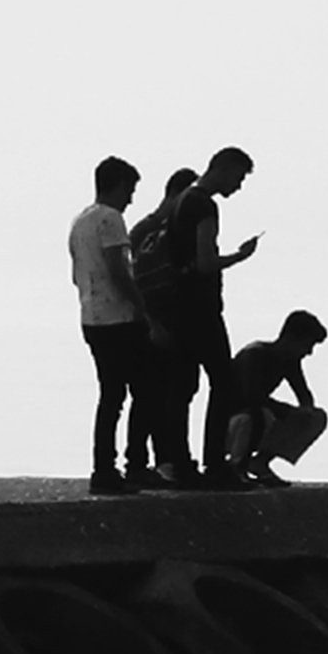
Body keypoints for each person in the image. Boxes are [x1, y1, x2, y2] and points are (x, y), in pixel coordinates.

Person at [124, 147, 258, 485]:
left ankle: (181, 462)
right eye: (238, 178)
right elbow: (204, 262)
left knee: (182, 387)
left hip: (179, 307)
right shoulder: (204, 205)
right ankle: (216, 463)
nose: (238, 187)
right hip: (201, 309)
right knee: (223, 382)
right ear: (225, 170)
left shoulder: (182, 201)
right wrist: (239, 257)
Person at [65, 157, 163, 493]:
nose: (131, 198)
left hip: (92, 317)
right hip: (118, 318)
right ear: (118, 185)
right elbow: (118, 269)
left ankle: (104, 467)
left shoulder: (80, 222)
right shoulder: (111, 219)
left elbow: (76, 273)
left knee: (111, 395)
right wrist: (141, 308)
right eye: (130, 190)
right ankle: (133, 463)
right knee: (145, 391)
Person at [207, 308, 328, 483]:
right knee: (261, 415)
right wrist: (289, 411)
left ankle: (259, 462)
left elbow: (303, 393)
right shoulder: (255, 354)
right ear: (291, 339)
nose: (309, 352)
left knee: (316, 417)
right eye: (307, 345)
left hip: (257, 417)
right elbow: (251, 397)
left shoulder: (290, 361)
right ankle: (237, 465)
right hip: (233, 422)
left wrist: (306, 410)